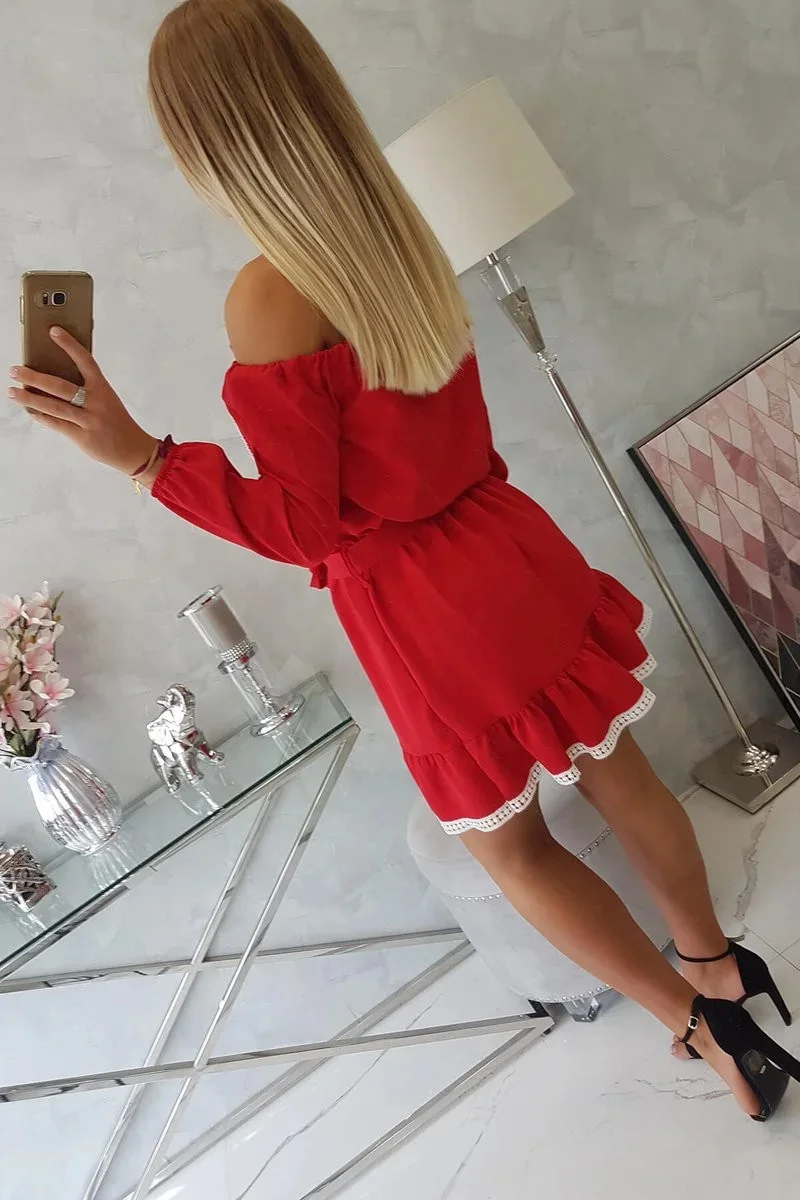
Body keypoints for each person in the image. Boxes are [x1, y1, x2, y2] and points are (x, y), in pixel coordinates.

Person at [9, 0, 800, 1121]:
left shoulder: (271, 293)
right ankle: (717, 965)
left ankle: (700, 1027)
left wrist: (142, 457)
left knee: (511, 851)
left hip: (425, 608)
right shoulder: (396, 225)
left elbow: (303, 528)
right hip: (508, 542)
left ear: (207, 143)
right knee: (616, 769)